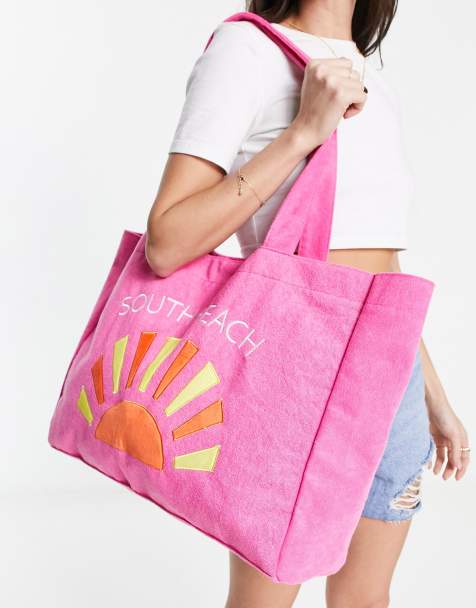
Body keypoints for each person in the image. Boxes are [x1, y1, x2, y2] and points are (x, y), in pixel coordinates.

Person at [145, 1, 470, 606]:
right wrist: (303, 133)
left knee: (365, 600)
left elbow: (379, 269)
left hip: (393, 381)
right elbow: (166, 243)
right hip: (297, 371)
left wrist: (434, 395)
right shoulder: (245, 53)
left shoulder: (376, 79)